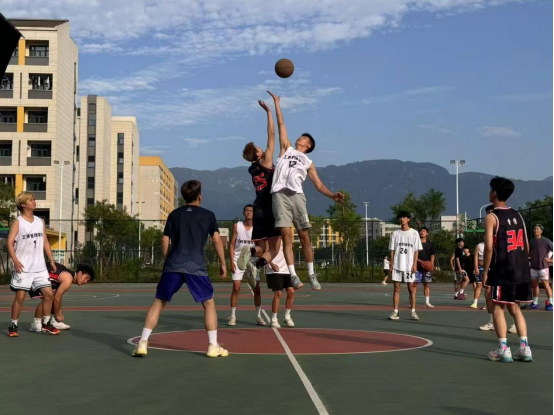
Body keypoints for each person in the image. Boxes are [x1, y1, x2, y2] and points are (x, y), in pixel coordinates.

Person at [132, 181, 228, 358]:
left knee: (159, 302)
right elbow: (216, 240)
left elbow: (165, 239)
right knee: (209, 303)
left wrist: (167, 261)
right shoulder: (208, 215)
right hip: (196, 266)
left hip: (173, 265)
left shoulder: (174, 214)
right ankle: (213, 346)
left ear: (184, 197)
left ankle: (143, 343)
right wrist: (223, 263)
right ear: (200, 196)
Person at [267, 91, 344, 291]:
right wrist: (277, 103)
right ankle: (293, 275)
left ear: (308, 145)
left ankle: (311, 274)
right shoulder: (286, 149)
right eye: (300, 136)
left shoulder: (308, 161)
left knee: (304, 237)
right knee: (286, 235)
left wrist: (332, 195)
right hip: (279, 195)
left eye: (303, 138)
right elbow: (281, 124)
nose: (299, 138)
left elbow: (319, 185)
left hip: (297, 196)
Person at [483, 177, 533, 363]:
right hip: (521, 269)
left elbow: (489, 248)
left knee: (498, 307)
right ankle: (525, 348)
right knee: (515, 307)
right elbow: (526, 244)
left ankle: (503, 349)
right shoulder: (518, 215)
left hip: (503, 269)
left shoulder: (492, 217)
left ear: (494, 193)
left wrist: (485, 271)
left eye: (490, 189)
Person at [239, 100, 281, 280]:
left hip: (257, 209)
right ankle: (255, 263)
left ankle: (252, 255)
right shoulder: (266, 161)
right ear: (257, 154)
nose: (261, 148)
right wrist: (269, 112)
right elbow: (272, 134)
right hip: (270, 208)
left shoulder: (252, 168)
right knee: (275, 248)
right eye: (258, 147)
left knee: (262, 248)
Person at [7, 192, 60, 337]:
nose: (34, 202)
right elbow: (9, 243)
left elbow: (45, 241)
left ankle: (46, 323)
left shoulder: (40, 221)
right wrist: (15, 261)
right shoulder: (18, 222)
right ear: (23, 204)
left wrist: (51, 259)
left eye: (34, 199)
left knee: (49, 294)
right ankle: (13, 324)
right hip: (23, 267)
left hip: (40, 266)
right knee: (20, 296)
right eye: (31, 200)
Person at [478, 206, 517, 334]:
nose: (489, 216)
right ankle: (492, 322)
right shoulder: (488, 233)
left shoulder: (506, 230)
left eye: (491, 213)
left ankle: (515, 323)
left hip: (505, 268)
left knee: (508, 298)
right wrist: (485, 270)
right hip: (493, 268)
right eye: (488, 214)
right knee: (488, 294)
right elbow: (488, 251)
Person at [228, 205, 266, 327]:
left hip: (252, 261)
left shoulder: (257, 228)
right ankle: (233, 316)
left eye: (251, 211)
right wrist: (231, 261)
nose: (248, 212)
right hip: (237, 259)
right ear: (243, 213)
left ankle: (258, 316)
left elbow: (261, 247)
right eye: (247, 211)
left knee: (257, 289)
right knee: (236, 288)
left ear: (254, 214)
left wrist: (259, 261)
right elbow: (231, 244)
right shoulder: (237, 226)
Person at [29, 263, 95, 332]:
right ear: (80, 273)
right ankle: (37, 323)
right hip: (36, 276)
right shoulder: (68, 279)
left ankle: (50, 321)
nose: (85, 281)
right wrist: (58, 314)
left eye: (87, 281)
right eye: (86, 278)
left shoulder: (68, 275)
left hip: (39, 275)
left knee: (54, 296)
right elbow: (57, 298)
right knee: (50, 298)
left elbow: (58, 298)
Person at [389, 211, 423, 321]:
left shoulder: (414, 233)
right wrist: (391, 263)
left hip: (409, 266)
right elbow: (392, 250)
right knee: (396, 288)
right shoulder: (395, 234)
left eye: (404, 217)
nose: (402, 219)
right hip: (397, 265)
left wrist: (414, 264)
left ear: (408, 219)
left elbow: (416, 250)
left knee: (411, 288)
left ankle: (413, 312)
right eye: (400, 217)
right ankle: (395, 311)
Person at [266, 246, 296, 328]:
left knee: (291, 291)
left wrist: (292, 268)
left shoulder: (287, 239)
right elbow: (265, 251)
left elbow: (290, 251)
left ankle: (287, 317)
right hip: (274, 270)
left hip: (287, 270)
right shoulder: (270, 239)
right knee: (278, 293)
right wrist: (271, 263)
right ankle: (274, 319)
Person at [529, 224, 553, 311]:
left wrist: (551, 259)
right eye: (534, 229)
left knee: (546, 284)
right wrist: (532, 257)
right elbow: (530, 251)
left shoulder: (546, 241)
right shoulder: (531, 241)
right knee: (534, 284)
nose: (535, 230)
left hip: (543, 267)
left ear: (541, 231)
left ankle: (551, 303)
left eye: (537, 229)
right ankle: (535, 303)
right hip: (534, 267)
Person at [416, 227, 436, 309]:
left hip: (427, 267)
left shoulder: (430, 244)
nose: (422, 232)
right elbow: (413, 254)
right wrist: (420, 261)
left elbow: (432, 255)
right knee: (414, 284)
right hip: (417, 266)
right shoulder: (416, 243)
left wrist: (431, 264)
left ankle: (427, 302)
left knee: (426, 284)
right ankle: (412, 302)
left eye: (424, 231)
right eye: (421, 231)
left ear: (427, 233)